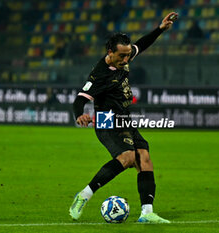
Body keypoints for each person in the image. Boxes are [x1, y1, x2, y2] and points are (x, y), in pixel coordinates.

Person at [69, 12, 178, 223]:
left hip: (124, 119)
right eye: (122, 56)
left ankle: (147, 213)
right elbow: (79, 99)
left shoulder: (124, 57)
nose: (126, 59)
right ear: (110, 52)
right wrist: (79, 115)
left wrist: (160, 29)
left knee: (144, 158)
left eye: (128, 55)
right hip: (107, 120)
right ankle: (84, 195)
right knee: (128, 157)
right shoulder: (100, 74)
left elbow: (141, 45)